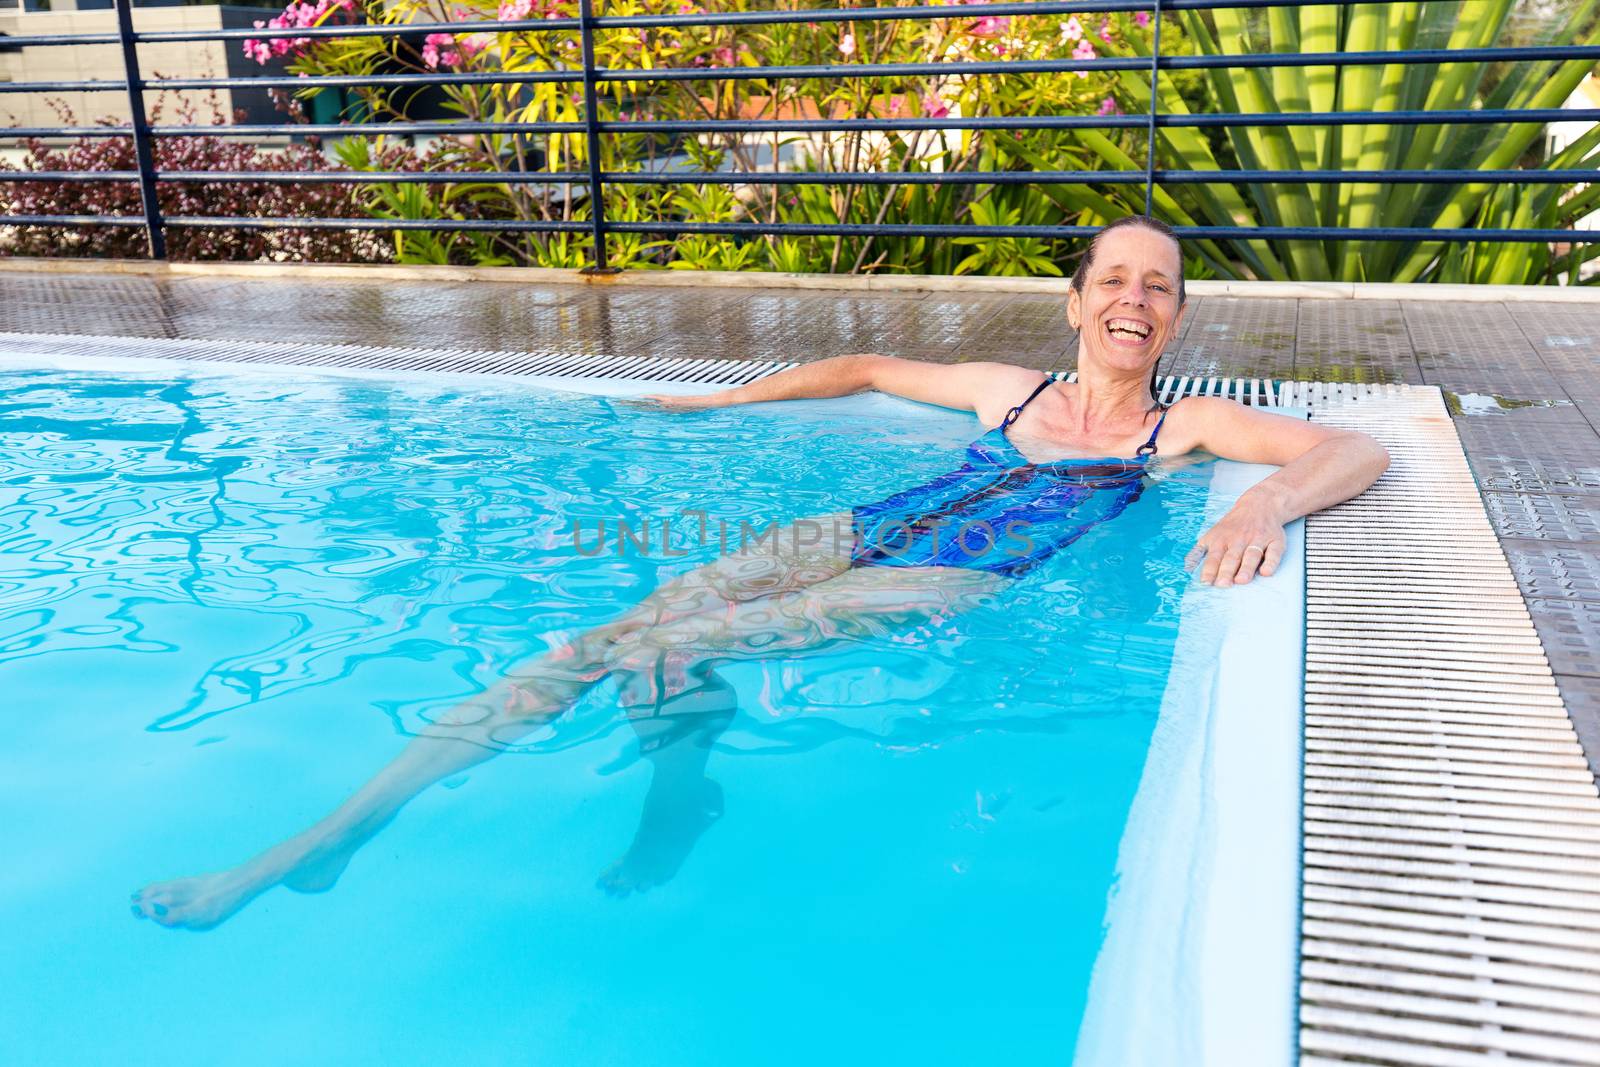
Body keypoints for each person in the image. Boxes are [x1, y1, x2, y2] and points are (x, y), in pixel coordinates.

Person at [131, 215, 1388, 929]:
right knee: (594, 643)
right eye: (1112, 279)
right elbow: (858, 367)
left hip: (960, 572)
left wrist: (1271, 494)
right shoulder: (1013, 390)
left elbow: (1355, 443)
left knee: (673, 648)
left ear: (1174, 320)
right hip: (864, 523)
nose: (1133, 300)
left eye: (1156, 289)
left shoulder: (1188, 427)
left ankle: (678, 789)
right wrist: (712, 400)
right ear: (1073, 303)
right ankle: (325, 832)